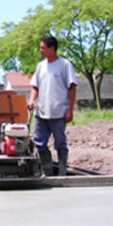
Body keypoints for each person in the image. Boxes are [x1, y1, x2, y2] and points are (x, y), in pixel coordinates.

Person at [27, 33, 77, 176]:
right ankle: (47, 171)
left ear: (52, 48)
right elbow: (35, 86)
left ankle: (62, 172)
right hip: (41, 112)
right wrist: (32, 100)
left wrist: (70, 110)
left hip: (58, 111)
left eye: (43, 48)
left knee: (60, 143)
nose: (40, 50)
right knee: (39, 142)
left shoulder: (64, 64)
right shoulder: (40, 66)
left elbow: (72, 88)